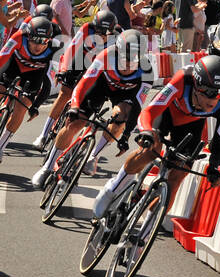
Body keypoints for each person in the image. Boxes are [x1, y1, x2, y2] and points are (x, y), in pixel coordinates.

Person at [92, 55, 220, 218]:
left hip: (190, 125)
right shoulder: (182, 79)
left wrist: (214, 166)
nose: (213, 98)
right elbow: (149, 112)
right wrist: (145, 131)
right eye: (208, 91)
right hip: (165, 113)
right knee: (150, 150)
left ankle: (145, 232)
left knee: (179, 174)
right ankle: (112, 188)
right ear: (196, 84)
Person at [32, 27, 147, 187]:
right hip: (99, 86)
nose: (128, 64)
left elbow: (137, 107)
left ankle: (92, 156)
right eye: (124, 58)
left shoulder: (148, 69)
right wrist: (75, 106)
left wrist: (126, 136)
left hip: (124, 95)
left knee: (121, 118)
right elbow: (83, 85)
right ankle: (47, 167)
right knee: (75, 123)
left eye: (133, 60)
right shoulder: (106, 56)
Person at [0, 15, 60, 164]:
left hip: (34, 75)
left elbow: (48, 83)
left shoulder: (55, 48)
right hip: (13, 66)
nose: (38, 45)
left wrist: (35, 106)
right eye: (34, 40)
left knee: (21, 109)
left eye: (43, 41)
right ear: (27, 36)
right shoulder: (19, 37)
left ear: (49, 40)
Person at [34, 9, 117, 149]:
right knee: (64, 93)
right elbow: (72, 48)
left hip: (100, 69)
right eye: (97, 30)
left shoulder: (117, 37)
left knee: (92, 104)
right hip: (81, 60)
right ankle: (43, 134)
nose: (99, 35)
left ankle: (73, 142)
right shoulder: (86, 28)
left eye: (104, 33)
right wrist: (63, 70)